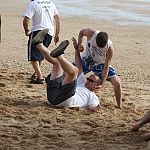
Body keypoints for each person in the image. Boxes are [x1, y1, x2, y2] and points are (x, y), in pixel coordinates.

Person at [31, 29, 101, 111]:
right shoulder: (82, 82)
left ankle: (59, 55)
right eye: (88, 78)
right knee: (57, 64)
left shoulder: (93, 96)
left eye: (91, 80)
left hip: (64, 100)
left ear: (97, 85)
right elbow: (79, 65)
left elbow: (92, 106)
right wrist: (76, 51)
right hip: (52, 96)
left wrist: (96, 108)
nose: (88, 81)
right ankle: (38, 44)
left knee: (74, 71)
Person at [76, 28, 122, 108]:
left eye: (102, 47)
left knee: (117, 82)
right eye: (98, 46)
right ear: (96, 38)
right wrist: (79, 44)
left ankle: (119, 106)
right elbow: (81, 33)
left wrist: (102, 83)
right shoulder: (91, 33)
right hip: (88, 60)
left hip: (101, 65)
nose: (100, 49)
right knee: (71, 72)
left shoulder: (110, 48)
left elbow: (106, 67)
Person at [23, 0, 60, 84]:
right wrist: (57, 34)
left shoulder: (33, 3)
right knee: (41, 53)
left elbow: (26, 20)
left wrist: (26, 30)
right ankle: (36, 74)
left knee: (33, 55)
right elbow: (57, 19)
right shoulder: (51, 3)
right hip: (49, 32)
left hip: (38, 31)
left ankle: (40, 77)